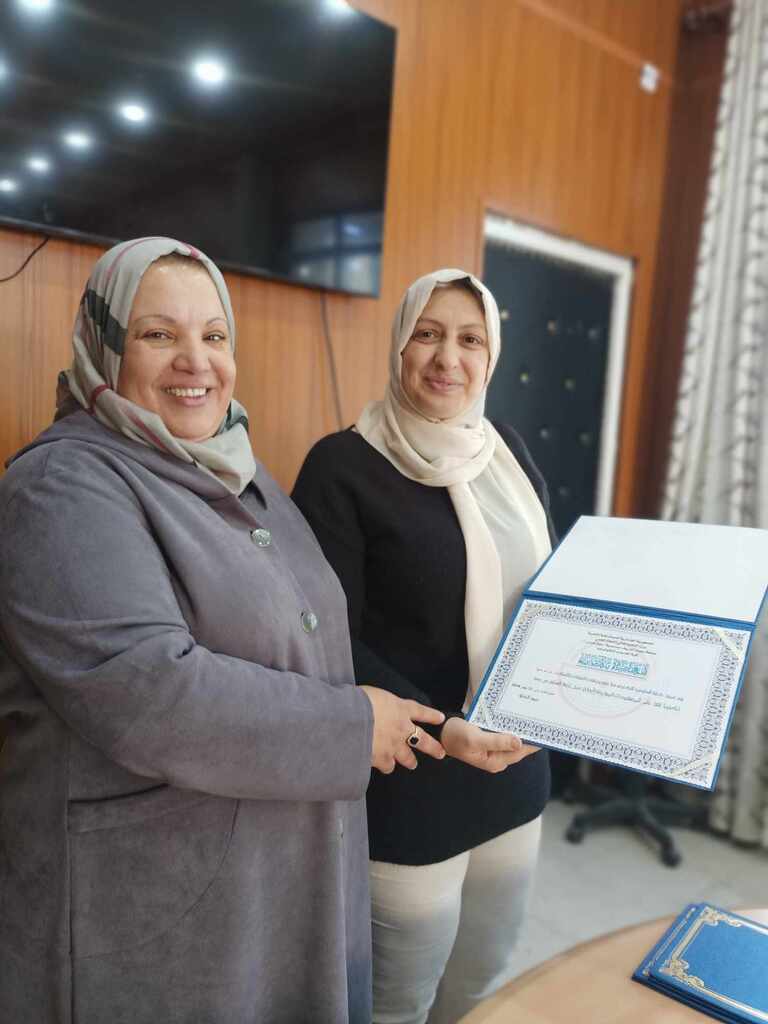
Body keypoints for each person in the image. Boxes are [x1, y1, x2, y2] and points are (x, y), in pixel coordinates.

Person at [0, 237, 447, 1024]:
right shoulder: (62, 484)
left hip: (272, 874)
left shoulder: (237, 469)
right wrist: (351, 728)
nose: (196, 361)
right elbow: (148, 691)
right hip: (150, 907)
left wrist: (419, 721)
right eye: (158, 334)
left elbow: (310, 639)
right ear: (106, 343)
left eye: (213, 335)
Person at [292, 268, 557, 1024]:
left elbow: (549, 596)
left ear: (491, 355)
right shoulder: (341, 467)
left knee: (480, 986)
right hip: (411, 781)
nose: (448, 358)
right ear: (400, 344)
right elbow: (324, 636)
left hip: (515, 769)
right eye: (428, 334)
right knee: (396, 1005)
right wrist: (444, 727)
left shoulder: (506, 452)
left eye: (470, 339)